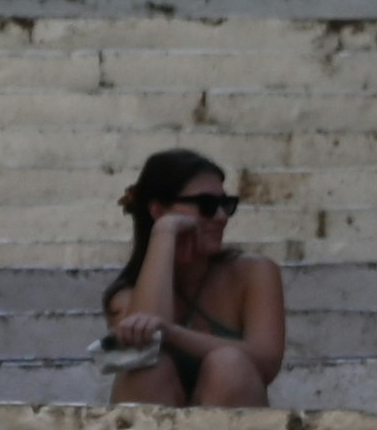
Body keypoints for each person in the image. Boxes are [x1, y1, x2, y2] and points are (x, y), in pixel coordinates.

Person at [100, 146, 285, 407]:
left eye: (226, 205)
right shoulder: (125, 296)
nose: (221, 217)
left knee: (229, 365)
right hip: (158, 418)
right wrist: (165, 233)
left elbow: (267, 361)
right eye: (206, 206)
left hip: (233, 425)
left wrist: (173, 334)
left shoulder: (253, 273)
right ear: (158, 211)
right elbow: (141, 351)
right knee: (149, 370)